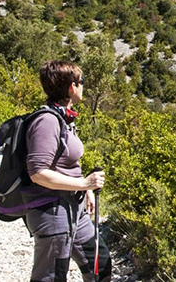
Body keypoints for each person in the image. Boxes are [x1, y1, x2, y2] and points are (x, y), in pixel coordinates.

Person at [25, 60, 112, 282]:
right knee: (51, 277)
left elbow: (65, 162)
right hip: (52, 212)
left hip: (74, 209)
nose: (84, 86)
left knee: (100, 264)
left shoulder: (64, 118)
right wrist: (84, 184)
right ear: (72, 87)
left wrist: (86, 189)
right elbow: (37, 172)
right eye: (81, 81)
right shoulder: (47, 121)